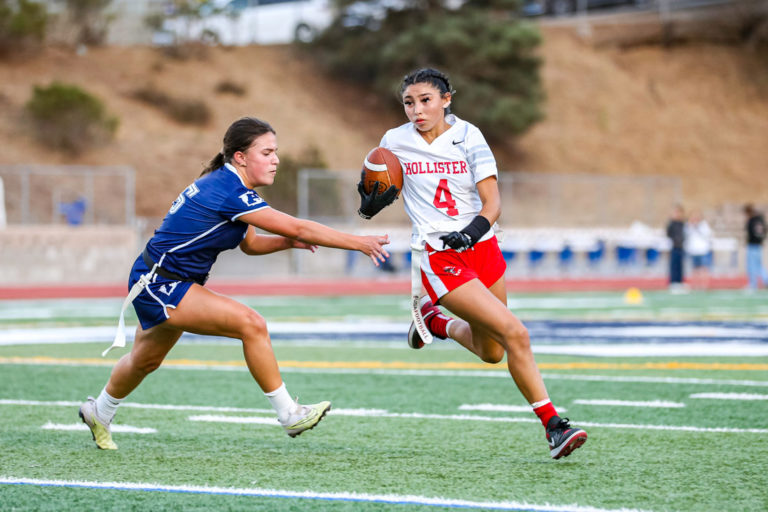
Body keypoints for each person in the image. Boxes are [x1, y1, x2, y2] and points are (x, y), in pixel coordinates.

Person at [79, 117, 390, 450]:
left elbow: (251, 244)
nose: (276, 160)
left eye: (276, 152)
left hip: (160, 279)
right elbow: (297, 226)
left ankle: (99, 411)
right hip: (161, 282)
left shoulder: (233, 188)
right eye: (267, 152)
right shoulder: (228, 191)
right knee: (251, 323)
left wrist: (285, 243)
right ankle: (289, 414)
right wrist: (357, 241)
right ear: (240, 157)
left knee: (145, 361)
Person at [357, 68, 587, 459]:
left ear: (447, 99)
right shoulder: (393, 142)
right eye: (409, 102)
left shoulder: (469, 136)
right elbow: (380, 187)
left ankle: (434, 322)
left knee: (493, 350)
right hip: (437, 254)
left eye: (426, 100)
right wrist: (370, 199)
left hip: (482, 246)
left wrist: (471, 231)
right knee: (516, 333)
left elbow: (493, 203)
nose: (417, 109)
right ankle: (554, 426)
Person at [685, 209, 713, 289]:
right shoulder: (688, 225)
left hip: (702, 250)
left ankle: (704, 285)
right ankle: (695, 285)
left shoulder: (703, 225)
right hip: (694, 251)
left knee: (703, 268)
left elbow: (707, 235)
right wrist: (691, 225)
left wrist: (697, 227)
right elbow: (686, 235)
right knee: (695, 269)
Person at [744, 203, 768, 291]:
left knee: (751, 266)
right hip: (759, 245)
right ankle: (766, 280)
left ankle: (753, 284)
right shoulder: (760, 219)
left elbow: (750, 232)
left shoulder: (751, 220)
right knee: (759, 265)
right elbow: (765, 230)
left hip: (752, 245)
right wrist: (761, 240)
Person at [666, 204, 687, 293]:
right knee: (673, 265)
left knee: (681, 265)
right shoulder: (672, 223)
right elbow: (668, 233)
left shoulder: (683, 223)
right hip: (674, 246)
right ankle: (673, 282)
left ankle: (680, 281)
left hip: (681, 246)